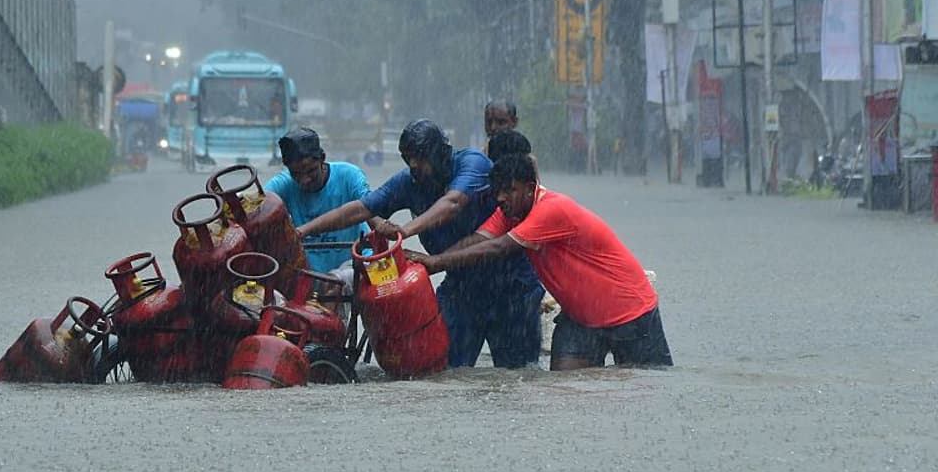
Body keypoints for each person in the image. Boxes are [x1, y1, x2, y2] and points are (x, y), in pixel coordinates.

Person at [294, 120, 542, 369]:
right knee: (443, 371)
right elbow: (361, 208)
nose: (413, 165)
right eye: (407, 158)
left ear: (441, 152)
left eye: (420, 157)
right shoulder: (409, 182)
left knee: (517, 374)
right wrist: (303, 230)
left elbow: (453, 203)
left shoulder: (471, 164)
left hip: (510, 286)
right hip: (461, 287)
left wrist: (406, 230)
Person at [414, 153, 672, 370]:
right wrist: (429, 261)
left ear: (530, 187)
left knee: (647, 386)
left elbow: (498, 247)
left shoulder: (550, 209)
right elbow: (479, 239)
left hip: (629, 312)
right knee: (558, 395)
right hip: (581, 318)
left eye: (510, 190)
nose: (501, 198)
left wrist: (435, 263)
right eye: (498, 192)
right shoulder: (511, 213)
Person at [264, 127, 384, 274]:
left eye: (311, 171)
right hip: (308, 274)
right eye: (296, 173)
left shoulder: (349, 175)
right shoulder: (283, 184)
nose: (304, 180)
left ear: (322, 158)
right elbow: (259, 206)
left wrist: (381, 228)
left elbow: (369, 209)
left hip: (354, 268)